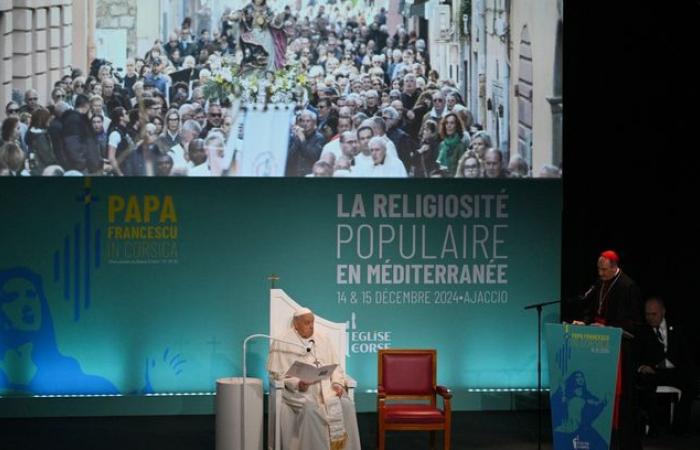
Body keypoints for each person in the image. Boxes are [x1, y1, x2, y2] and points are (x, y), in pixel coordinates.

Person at [267, 308, 360, 450]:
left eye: (312, 322)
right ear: (296, 324)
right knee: (311, 408)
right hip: (299, 393)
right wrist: (298, 383)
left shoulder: (323, 339)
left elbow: (335, 367)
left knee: (346, 405)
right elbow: (278, 375)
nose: (311, 326)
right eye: (306, 323)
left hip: (326, 388)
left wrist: (337, 384)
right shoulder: (283, 342)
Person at [635, 297, 696, 435]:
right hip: (652, 373)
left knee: (690, 383)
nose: (650, 318)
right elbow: (635, 357)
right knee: (645, 384)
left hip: (673, 372)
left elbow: (686, 356)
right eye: (647, 314)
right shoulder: (641, 331)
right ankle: (654, 428)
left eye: (653, 314)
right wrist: (641, 367)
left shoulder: (678, 328)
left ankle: (679, 428)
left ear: (663, 312)